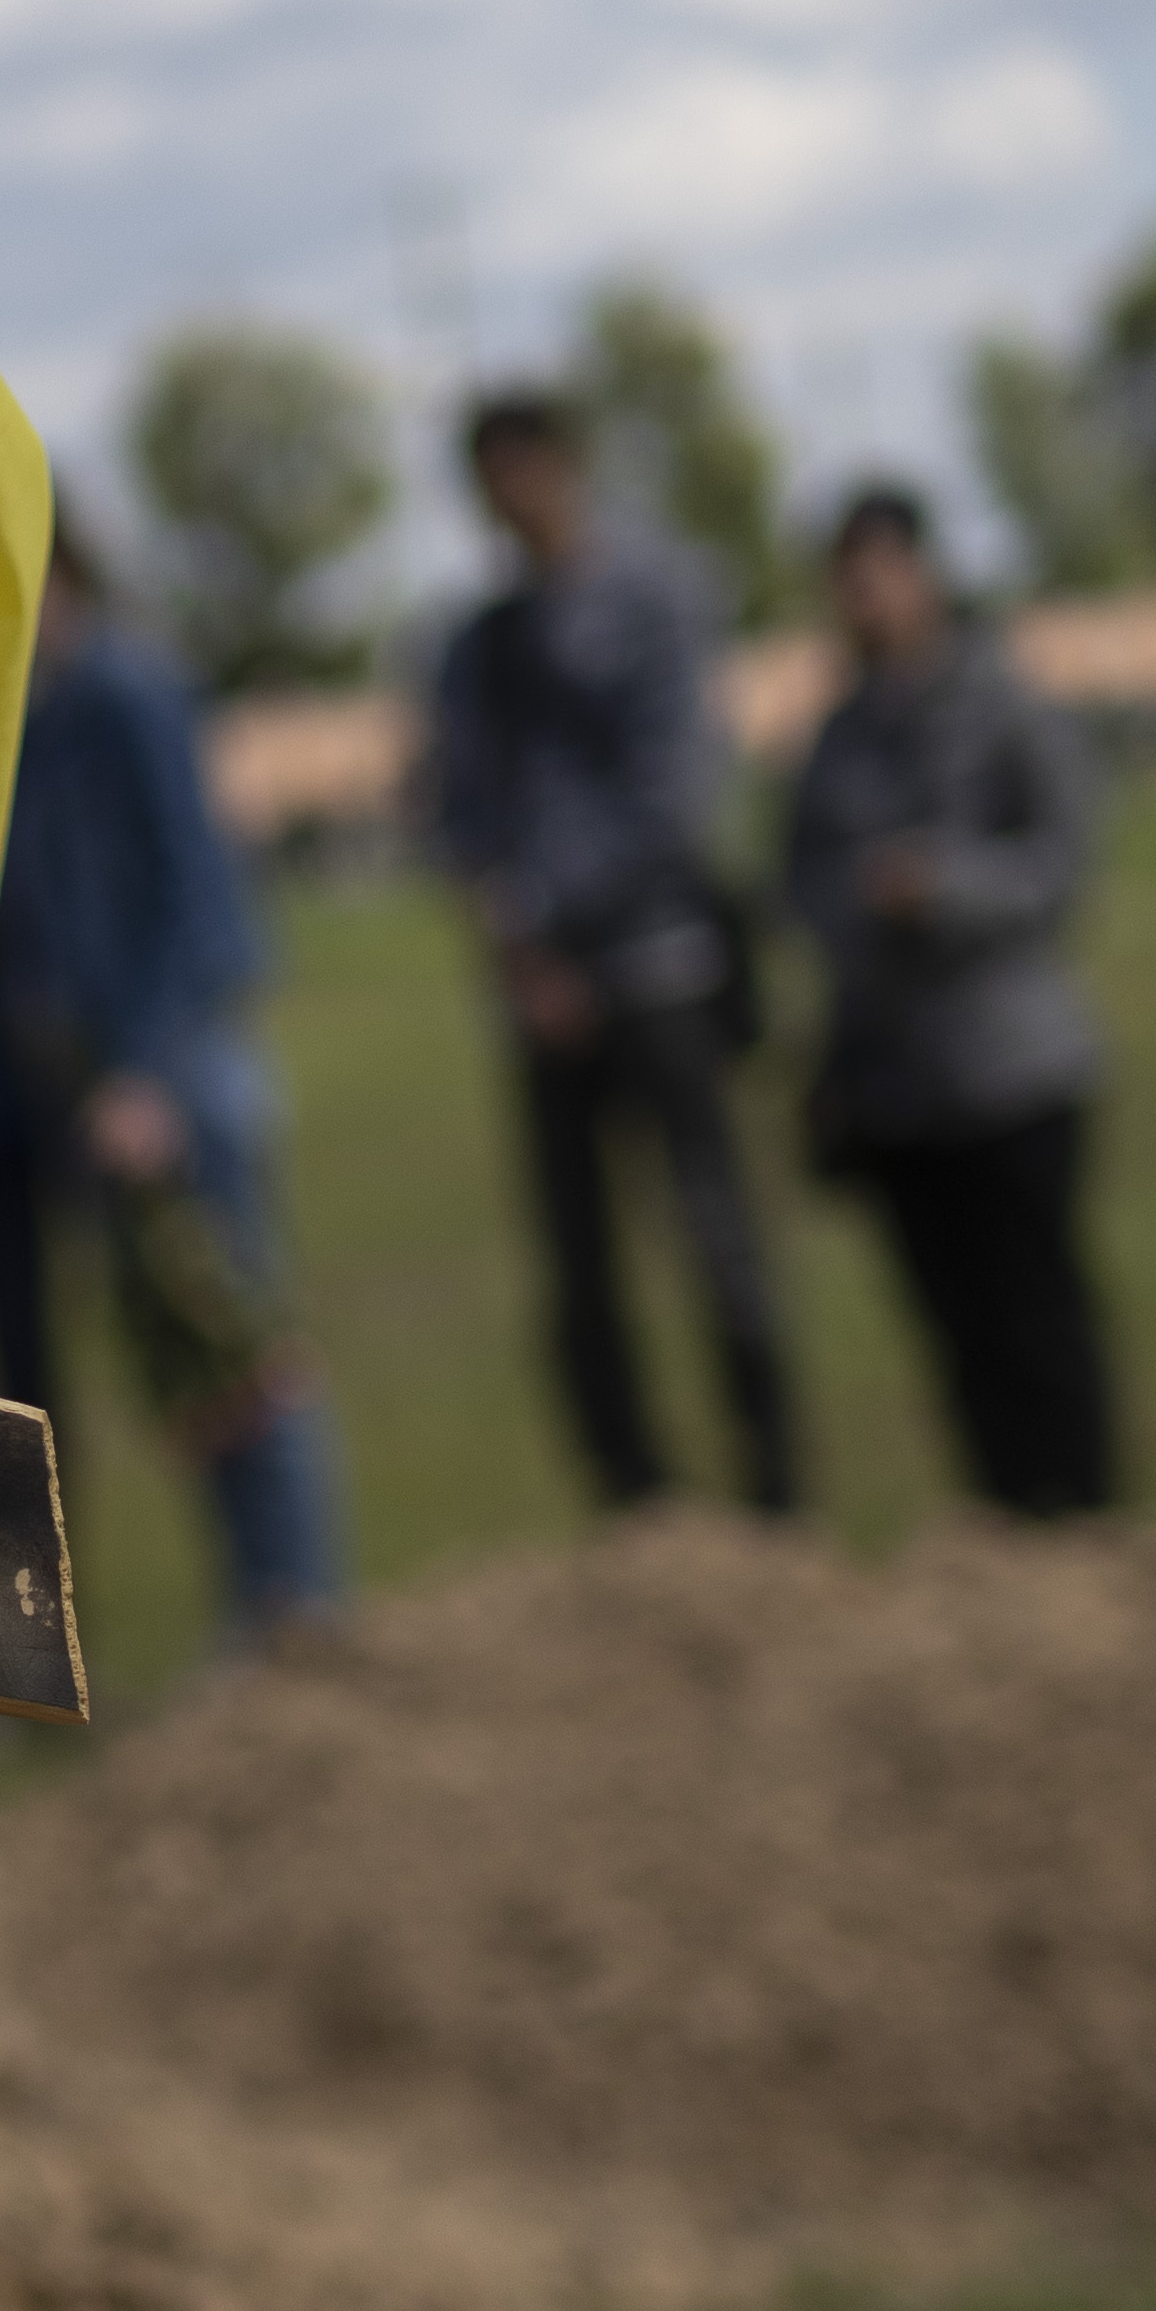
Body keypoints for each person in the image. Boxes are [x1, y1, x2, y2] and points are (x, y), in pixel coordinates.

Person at [408, 386, 796, 1518]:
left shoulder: (656, 598)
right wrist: (517, 942)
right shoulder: (477, 642)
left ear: (567, 466)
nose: (507, 500)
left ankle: (775, 1497)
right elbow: (454, 805)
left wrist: (557, 919)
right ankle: (637, 1505)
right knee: (579, 1276)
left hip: (661, 969)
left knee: (717, 1240)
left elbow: (673, 794)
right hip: (541, 998)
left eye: (523, 469)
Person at [0, 516, 348, 1651]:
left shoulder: (129, 696)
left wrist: (143, 1076)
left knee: (237, 1333)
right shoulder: (21, 722)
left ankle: (305, 1602)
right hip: (98, 1098)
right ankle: (258, 1606)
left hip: (176, 1082)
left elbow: (199, 899)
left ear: (67, 569)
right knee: (184, 1361)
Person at [771, 480, 1122, 1522]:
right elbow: (798, 884)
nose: (863, 599)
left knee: (1042, 1322)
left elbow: (1062, 869)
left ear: (926, 574)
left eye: (879, 573)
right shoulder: (834, 739)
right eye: (846, 580)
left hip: (1013, 1069)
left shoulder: (1007, 704)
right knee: (955, 1335)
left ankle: (1088, 1527)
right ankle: (1005, 1532)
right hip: (897, 1087)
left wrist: (945, 886)